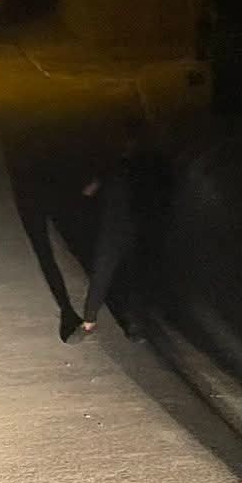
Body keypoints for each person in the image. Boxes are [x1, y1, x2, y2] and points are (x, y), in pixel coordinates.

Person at [73, 114, 170, 341]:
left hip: (119, 230)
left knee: (105, 276)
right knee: (129, 278)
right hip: (131, 231)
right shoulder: (145, 166)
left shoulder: (117, 164)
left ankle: (90, 323)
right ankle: (130, 326)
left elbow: (88, 191)